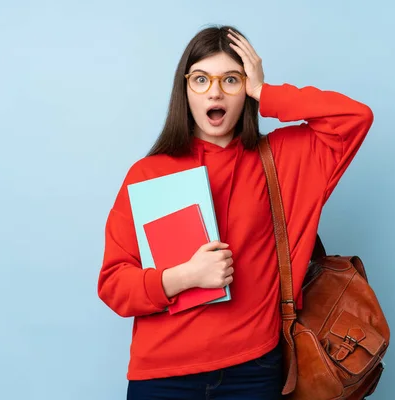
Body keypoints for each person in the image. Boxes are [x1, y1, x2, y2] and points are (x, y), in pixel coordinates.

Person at [97, 25, 373, 400]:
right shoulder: (148, 174)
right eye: (201, 79)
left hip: (253, 372)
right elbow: (114, 285)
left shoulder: (283, 160)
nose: (215, 91)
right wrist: (183, 277)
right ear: (185, 90)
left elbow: (354, 118)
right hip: (163, 376)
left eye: (231, 79)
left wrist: (266, 92)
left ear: (245, 88)